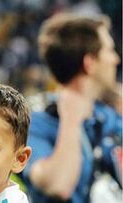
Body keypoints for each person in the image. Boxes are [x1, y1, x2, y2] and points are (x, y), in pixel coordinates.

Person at [22, 13, 122, 203]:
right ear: (89, 63)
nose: (115, 59)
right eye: (109, 51)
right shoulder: (35, 122)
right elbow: (58, 187)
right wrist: (71, 120)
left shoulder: (107, 116)